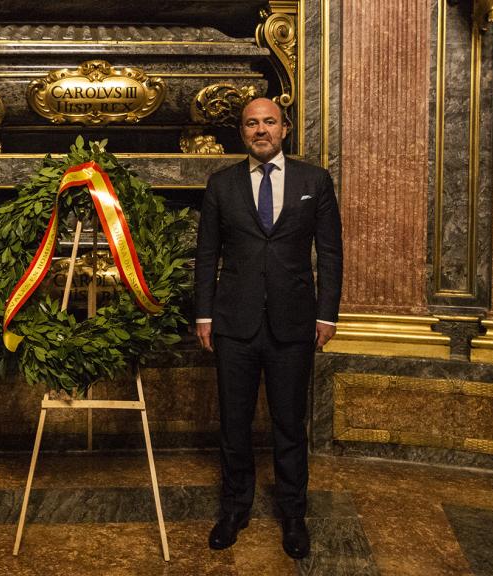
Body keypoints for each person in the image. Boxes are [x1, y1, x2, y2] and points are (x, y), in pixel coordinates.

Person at [194, 97, 342, 559]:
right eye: (252, 123)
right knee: (234, 424)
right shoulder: (221, 184)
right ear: (242, 132)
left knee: (289, 424)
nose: (261, 130)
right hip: (234, 325)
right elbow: (206, 255)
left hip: (293, 325)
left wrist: (326, 313)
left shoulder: (313, 181)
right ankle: (235, 508)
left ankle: (294, 515)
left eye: (269, 122)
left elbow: (330, 252)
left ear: (285, 128)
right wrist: (204, 314)